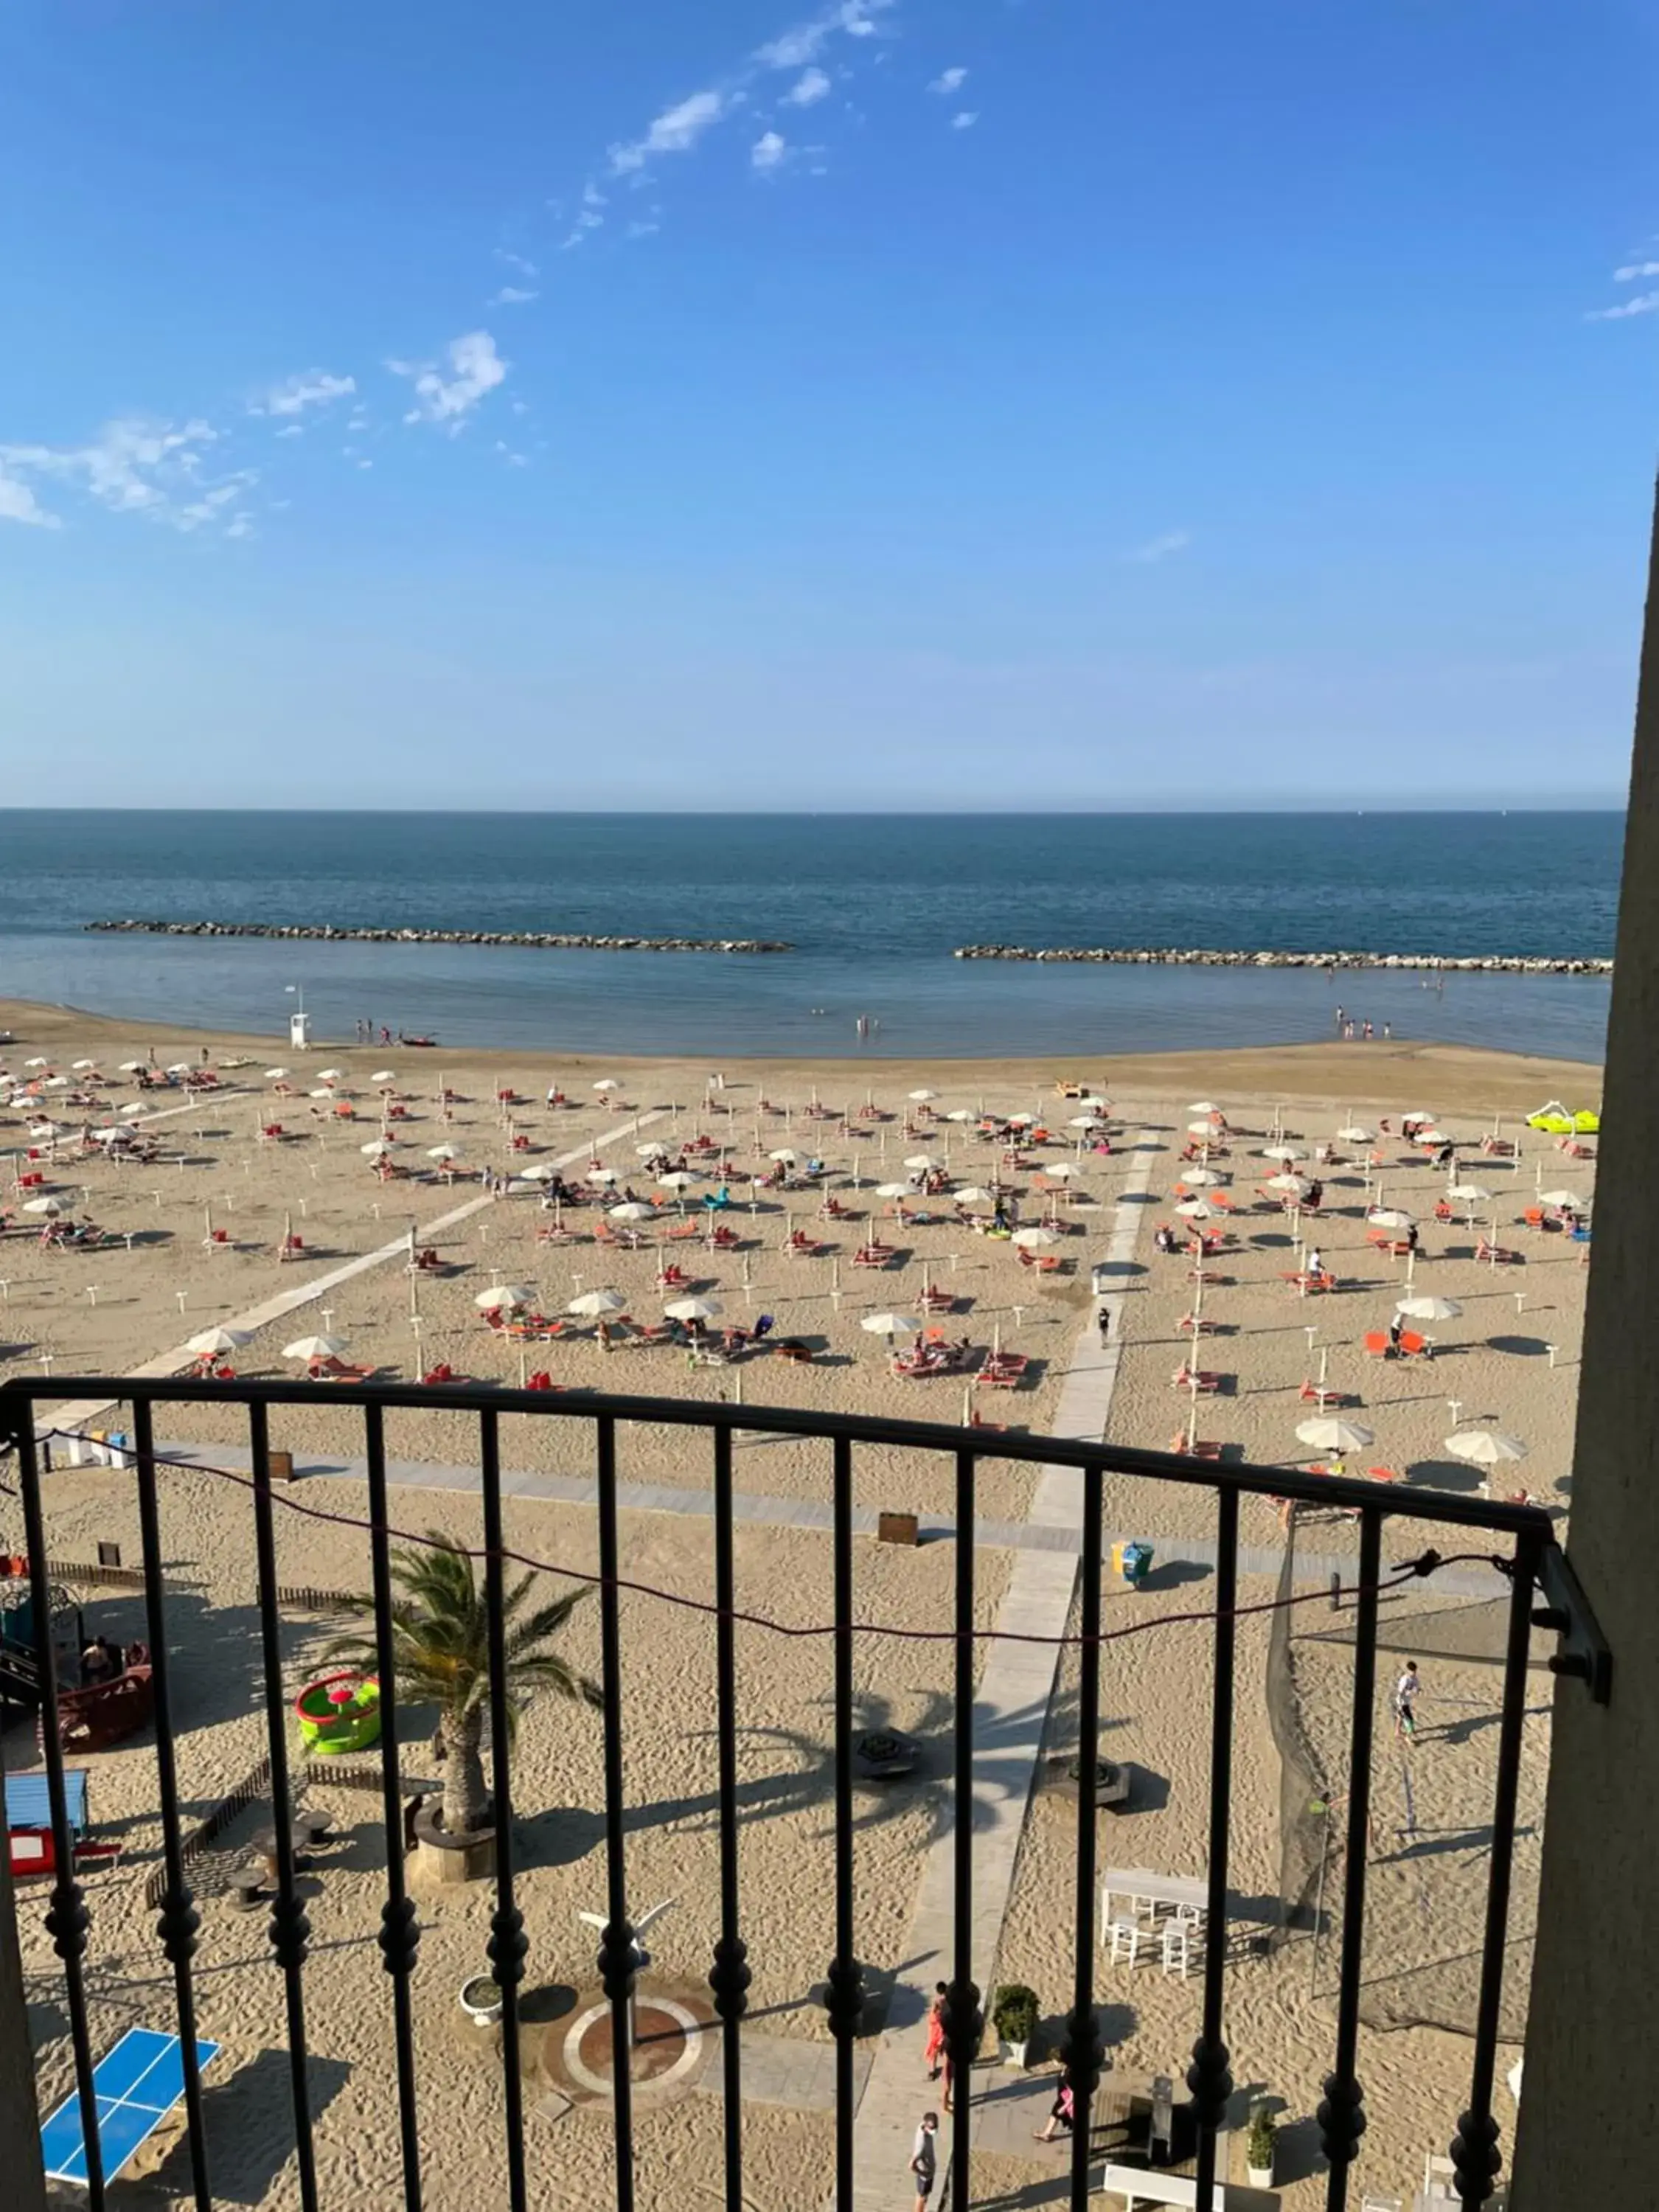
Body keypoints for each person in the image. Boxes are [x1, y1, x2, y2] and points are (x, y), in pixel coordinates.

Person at [911, 2111, 939, 2208]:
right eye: (931, 2128)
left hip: (928, 2171)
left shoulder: (922, 2126)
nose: (933, 2130)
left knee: (923, 2196)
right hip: (925, 2174)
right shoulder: (921, 2146)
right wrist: (923, 2174)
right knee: (922, 2197)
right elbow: (911, 2165)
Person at [1034, 2079, 1075, 2143]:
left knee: (1057, 2113)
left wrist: (1064, 2107)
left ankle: (1046, 2134)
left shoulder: (1070, 2075)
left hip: (1066, 2098)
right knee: (1055, 2113)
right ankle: (1047, 2134)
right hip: (1064, 2096)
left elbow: (1073, 2095)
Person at [924, 1983, 947, 2079]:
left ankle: (932, 2071)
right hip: (944, 2032)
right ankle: (947, 2069)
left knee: (934, 2052)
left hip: (935, 2033)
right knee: (946, 2051)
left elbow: (932, 2019)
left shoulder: (936, 2003)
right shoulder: (948, 2001)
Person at [1394, 1658, 1421, 1740]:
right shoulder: (1405, 1680)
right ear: (1408, 1671)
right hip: (1401, 1703)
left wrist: (1417, 1691)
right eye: (1412, 1671)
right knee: (1409, 1721)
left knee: (1400, 1716)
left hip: (1407, 1702)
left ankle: (1397, 1731)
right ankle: (1408, 1738)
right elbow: (1400, 1692)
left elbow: (1417, 1688)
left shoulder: (1415, 1679)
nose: (1414, 1673)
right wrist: (1400, 1704)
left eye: (1415, 1671)